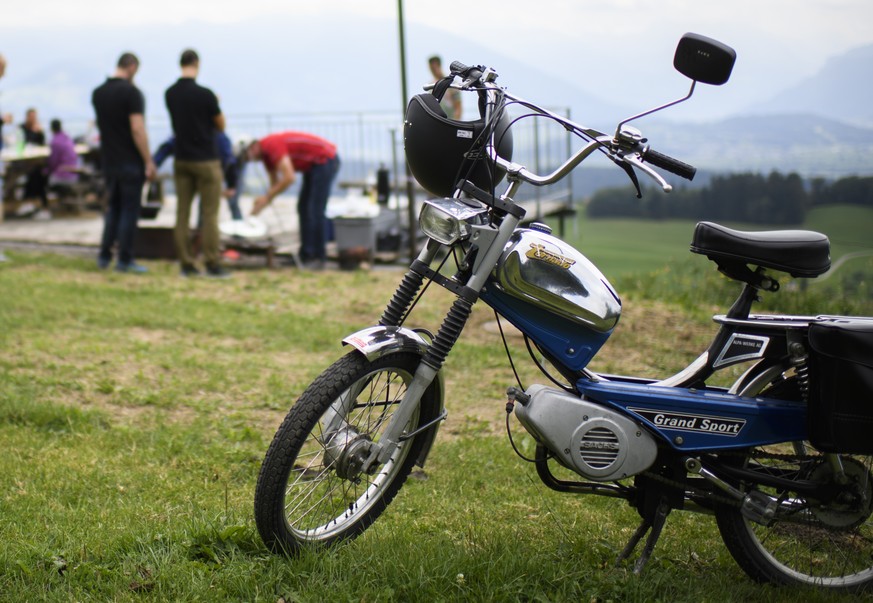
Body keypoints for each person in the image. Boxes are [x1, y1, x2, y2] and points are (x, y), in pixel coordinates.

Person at [165, 49, 228, 278]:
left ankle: (186, 263)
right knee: (210, 213)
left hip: (181, 158)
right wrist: (215, 103)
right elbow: (221, 125)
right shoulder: (206, 95)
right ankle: (212, 262)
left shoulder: (170, 93)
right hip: (206, 159)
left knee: (182, 213)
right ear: (197, 64)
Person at [91, 52, 156, 273]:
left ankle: (104, 255)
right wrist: (148, 160)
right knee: (129, 211)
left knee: (113, 209)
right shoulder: (132, 93)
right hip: (130, 161)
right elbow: (137, 129)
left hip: (109, 159)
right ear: (133, 68)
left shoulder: (98, 93)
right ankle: (125, 259)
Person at [247, 131, 340, 270]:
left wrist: (266, 199)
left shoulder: (270, 145)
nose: (249, 160)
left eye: (247, 155)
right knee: (303, 207)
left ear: (253, 147)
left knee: (315, 210)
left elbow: (289, 177)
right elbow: (275, 185)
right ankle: (305, 255)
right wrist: (262, 204)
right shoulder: (266, 158)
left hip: (325, 159)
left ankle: (317, 257)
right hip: (313, 166)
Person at [152, 130, 243, 220]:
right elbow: (229, 159)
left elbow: (167, 147)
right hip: (208, 170)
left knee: (184, 210)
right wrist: (231, 184)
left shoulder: (185, 131)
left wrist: (154, 164)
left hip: (186, 167)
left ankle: (194, 231)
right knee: (209, 211)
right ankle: (203, 231)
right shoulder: (217, 134)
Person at [428, 55, 462, 120]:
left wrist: (456, 121)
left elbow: (458, 106)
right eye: (431, 68)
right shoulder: (431, 85)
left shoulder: (451, 83)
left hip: (450, 121)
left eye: (434, 68)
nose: (433, 71)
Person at [46, 119, 79, 185]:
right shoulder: (68, 138)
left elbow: (53, 162)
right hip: (74, 172)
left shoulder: (55, 141)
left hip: (64, 174)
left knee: (43, 175)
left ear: (51, 128)